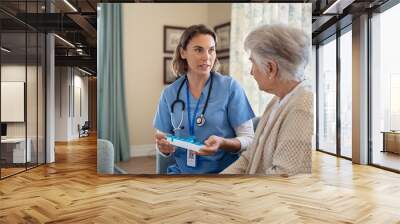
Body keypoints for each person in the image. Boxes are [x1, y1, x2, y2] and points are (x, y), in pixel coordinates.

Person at [153, 24, 255, 174]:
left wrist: (222, 143)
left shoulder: (230, 88)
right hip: (181, 173)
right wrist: (163, 148)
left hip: (223, 175)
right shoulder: (169, 94)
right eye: (198, 50)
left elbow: (249, 139)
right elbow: (163, 138)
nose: (207, 57)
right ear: (183, 52)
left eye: (211, 50)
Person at [221, 24, 314, 176]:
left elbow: (282, 177)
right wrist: (217, 183)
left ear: (271, 68)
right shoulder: (277, 99)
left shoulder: (302, 107)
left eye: (253, 63)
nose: (251, 72)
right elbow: (249, 157)